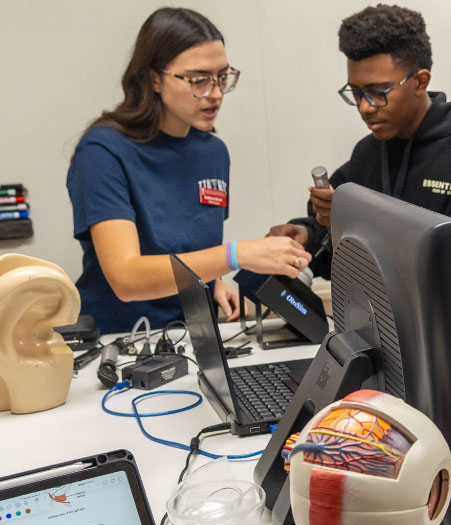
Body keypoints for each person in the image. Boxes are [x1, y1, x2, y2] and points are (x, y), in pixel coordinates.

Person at [277, 4, 451, 448]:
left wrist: (361, 222)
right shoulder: (368, 153)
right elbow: (341, 247)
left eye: (379, 92)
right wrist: (310, 230)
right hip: (382, 361)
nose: (366, 107)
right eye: (356, 93)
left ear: (420, 81)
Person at [68, 7, 311, 334]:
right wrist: (236, 255)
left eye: (222, 77)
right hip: (121, 337)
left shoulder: (212, 153)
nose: (216, 94)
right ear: (154, 78)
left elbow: (186, 251)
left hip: (194, 334)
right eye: (198, 81)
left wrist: (216, 282)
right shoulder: (102, 153)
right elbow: (126, 278)